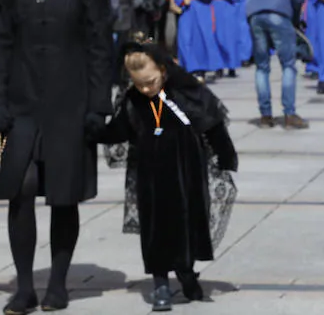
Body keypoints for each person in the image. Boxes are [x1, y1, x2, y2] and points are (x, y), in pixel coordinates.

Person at [0, 0, 114, 314]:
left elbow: (100, 46)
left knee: (63, 193)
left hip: (70, 102)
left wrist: (99, 105)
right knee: (21, 189)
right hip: (21, 101)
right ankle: (24, 285)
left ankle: (58, 282)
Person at [99, 40, 238, 312]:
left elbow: (211, 121)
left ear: (162, 70)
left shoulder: (185, 91)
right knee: (155, 228)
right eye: (139, 84)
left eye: (150, 81)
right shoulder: (133, 100)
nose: (146, 89)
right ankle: (160, 282)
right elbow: (120, 130)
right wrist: (93, 131)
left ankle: (186, 271)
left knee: (187, 222)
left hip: (187, 170)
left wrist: (224, 153)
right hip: (150, 174)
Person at [245, 0, 308, 129]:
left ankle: (265, 116)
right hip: (279, 14)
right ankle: (289, 114)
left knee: (262, 67)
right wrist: (295, 20)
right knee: (288, 65)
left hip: (254, 15)